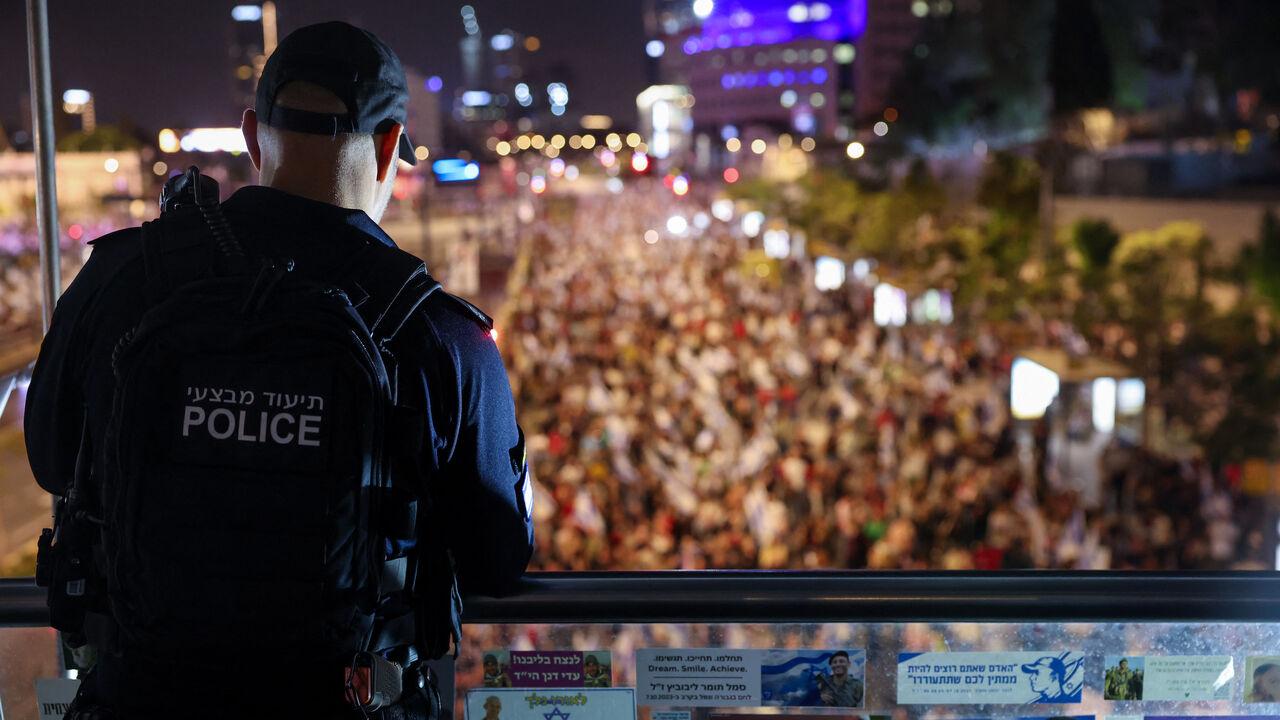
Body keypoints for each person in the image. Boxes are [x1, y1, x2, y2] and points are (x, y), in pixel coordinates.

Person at [25, 21, 533, 719]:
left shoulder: (121, 279)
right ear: (389, 147)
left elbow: (53, 460)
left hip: (137, 700)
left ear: (250, 133)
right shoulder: (438, 332)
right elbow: (497, 556)